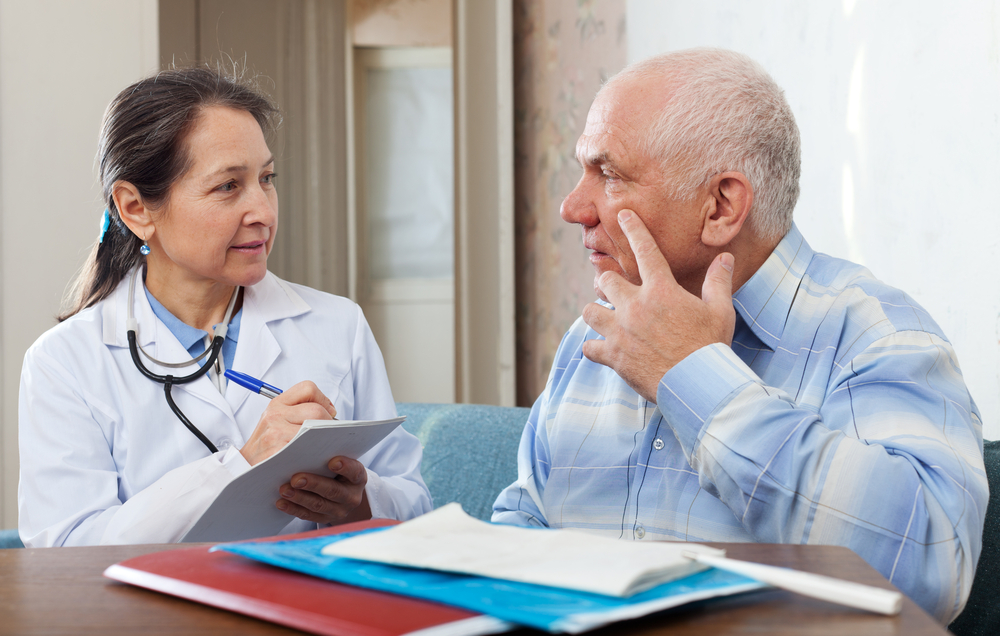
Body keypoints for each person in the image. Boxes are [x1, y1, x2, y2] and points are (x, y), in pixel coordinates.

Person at [493, 48, 987, 623]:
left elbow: (931, 569)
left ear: (721, 207)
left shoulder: (879, 334)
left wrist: (695, 376)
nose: (572, 207)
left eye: (609, 174)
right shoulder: (594, 333)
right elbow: (523, 524)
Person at [18, 67, 431, 547]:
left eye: (266, 179)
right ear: (136, 208)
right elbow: (65, 550)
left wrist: (356, 503)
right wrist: (244, 463)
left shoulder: (338, 326)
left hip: (306, 594)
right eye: (228, 186)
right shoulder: (65, 362)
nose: (265, 213)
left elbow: (414, 506)